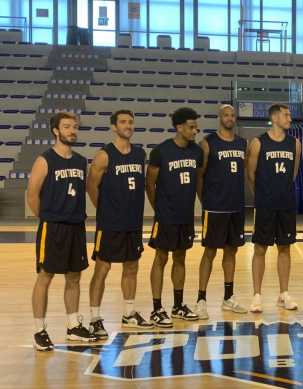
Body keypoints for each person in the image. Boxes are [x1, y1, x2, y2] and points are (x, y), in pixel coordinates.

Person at [27, 112, 95, 351]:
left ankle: (72, 326)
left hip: (76, 227)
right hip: (53, 227)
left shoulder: (80, 161)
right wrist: (47, 218)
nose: (72, 130)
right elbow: (32, 195)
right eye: (66, 127)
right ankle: (39, 329)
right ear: (56, 131)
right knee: (45, 276)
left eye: (74, 127)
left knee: (74, 277)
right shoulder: (44, 160)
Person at [87, 110, 152, 339]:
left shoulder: (139, 153)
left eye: (131, 122)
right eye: (123, 122)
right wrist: (104, 210)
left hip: (132, 222)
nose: (128, 125)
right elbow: (91, 186)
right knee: (102, 269)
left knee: (131, 267)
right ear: (114, 127)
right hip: (110, 223)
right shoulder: (104, 155)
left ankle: (128, 313)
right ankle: (95, 319)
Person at [146, 107, 203, 326]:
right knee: (161, 258)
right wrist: (159, 209)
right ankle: (156, 308)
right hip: (166, 216)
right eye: (191, 127)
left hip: (185, 216)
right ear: (179, 127)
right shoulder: (161, 152)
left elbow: (197, 180)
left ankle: (178, 305)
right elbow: (149, 184)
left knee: (181, 258)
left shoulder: (196, 152)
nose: (195, 130)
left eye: (196, 126)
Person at [246, 104, 302, 313]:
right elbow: (251, 175)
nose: (290, 117)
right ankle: (257, 295)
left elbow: (293, 173)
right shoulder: (258, 143)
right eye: (286, 114)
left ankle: (284, 293)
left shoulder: (295, 144)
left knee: (285, 248)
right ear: (275, 117)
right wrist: (263, 195)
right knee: (260, 248)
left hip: (286, 204)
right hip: (265, 205)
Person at [195, 105, 248, 317]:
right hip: (214, 207)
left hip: (235, 207)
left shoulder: (242, 143)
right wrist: (205, 201)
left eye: (233, 115)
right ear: (220, 117)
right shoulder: (207, 143)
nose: (230, 118)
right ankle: (201, 299)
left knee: (231, 251)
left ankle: (228, 297)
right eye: (226, 115)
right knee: (209, 252)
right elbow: (200, 175)